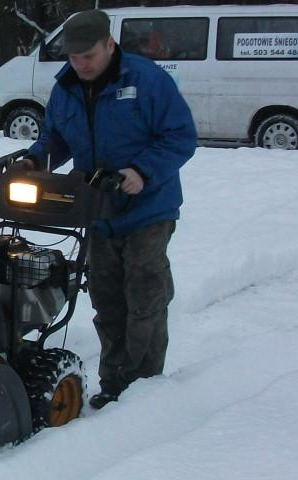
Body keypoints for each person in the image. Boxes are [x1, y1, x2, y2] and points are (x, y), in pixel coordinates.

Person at [24, 9, 197, 409]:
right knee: (106, 299)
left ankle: (143, 387)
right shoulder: (66, 88)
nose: (81, 64)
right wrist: (34, 161)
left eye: (89, 55)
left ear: (109, 44)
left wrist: (142, 171)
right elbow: (55, 138)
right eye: (74, 57)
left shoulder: (146, 80)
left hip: (148, 208)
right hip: (96, 207)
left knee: (144, 293)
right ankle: (114, 381)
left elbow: (181, 137)